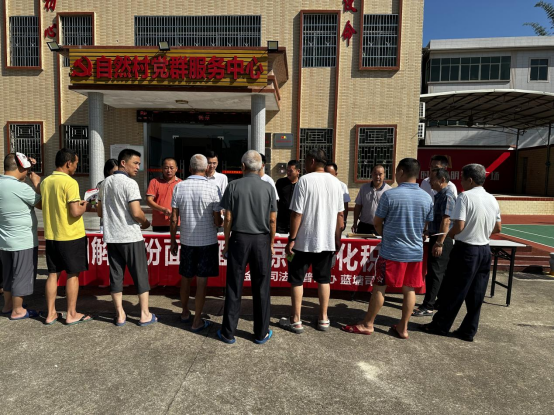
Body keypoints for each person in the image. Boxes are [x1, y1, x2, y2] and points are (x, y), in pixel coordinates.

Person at [342, 158, 433, 339]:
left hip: (392, 251)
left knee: (379, 287)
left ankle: (368, 324)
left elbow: (377, 223)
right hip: (415, 252)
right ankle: (403, 327)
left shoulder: (390, 195)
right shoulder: (427, 197)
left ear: (401, 172)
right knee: (410, 289)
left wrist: (388, 235)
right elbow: (426, 225)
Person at [421, 164, 501, 342]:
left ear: (470, 180)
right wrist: (480, 231)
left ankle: (440, 325)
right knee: (476, 294)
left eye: (462, 178)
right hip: (484, 250)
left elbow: (459, 225)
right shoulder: (492, 199)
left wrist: (449, 235)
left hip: (466, 249)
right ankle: (468, 330)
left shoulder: (465, 197)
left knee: (453, 290)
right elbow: (498, 227)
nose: (461, 182)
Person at [281, 148, 344, 334]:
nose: (304, 164)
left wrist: (291, 239)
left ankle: (296, 319)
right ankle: (323, 318)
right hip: (326, 241)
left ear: (312, 161)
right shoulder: (336, 183)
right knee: (324, 280)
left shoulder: (304, 181)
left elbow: (296, 214)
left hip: (303, 240)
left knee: (297, 280)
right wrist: (337, 238)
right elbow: (340, 215)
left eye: (306, 160)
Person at [217, 150, 277, 344]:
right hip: (261, 241)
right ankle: (261, 333)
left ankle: (228, 333)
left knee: (234, 285)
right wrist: (271, 243)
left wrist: (226, 243)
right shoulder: (268, 188)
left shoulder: (233, 186)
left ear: (242, 166)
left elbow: (228, 218)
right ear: (260, 167)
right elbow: (273, 220)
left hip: (239, 239)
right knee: (262, 287)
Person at [98, 149, 156, 327]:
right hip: (130, 236)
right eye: (135, 163)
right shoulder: (130, 183)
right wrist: (145, 223)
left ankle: (120, 314)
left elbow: (100, 211)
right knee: (140, 275)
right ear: (123, 163)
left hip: (112, 237)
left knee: (116, 276)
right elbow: (136, 212)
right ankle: (144, 314)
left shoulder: (104, 183)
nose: (138, 167)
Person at [170, 154, 223, 332]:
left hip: (186, 241)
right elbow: (217, 220)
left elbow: (174, 218)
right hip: (207, 241)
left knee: (185, 278)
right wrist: (220, 222)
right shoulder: (213, 187)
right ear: (206, 168)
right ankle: (197, 320)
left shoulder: (179, 187)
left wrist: (173, 241)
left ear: (190, 168)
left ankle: (185, 312)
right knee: (201, 282)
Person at [40, 148, 92, 325]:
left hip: (52, 235)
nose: (76, 167)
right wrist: (85, 205)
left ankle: (50, 314)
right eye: (76, 163)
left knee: (52, 274)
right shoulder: (70, 182)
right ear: (68, 163)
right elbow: (75, 211)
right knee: (72, 275)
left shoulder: (46, 182)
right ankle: (71, 314)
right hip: (70, 236)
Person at [0, 153, 42, 320]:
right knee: (21, 275)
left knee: (8, 274)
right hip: (23, 240)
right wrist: (36, 183)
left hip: (4, 240)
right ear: (19, 168)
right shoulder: (21, 188)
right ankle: (18, 310)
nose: (28, 172)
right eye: (26, 169)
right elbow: (41, 203)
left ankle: (8, 306)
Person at [412, 169, 456, 317]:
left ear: (442, 179)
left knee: (435, 273)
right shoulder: (439, 195)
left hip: (441, 239)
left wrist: (439, 243)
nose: (429, 182)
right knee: (437, 272)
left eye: (432, 179)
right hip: (436, 236)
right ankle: (438, 301)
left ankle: (428, 306)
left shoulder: (447, 196)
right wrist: (428, 231)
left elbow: (446, 221)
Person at [352, 165, 391, 235]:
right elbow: (358, 206)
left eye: (380, 174)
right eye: (375, 174)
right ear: (371, 174)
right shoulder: (364, 188)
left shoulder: (389, 190)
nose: (377, 177)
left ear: (384, 175)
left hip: (381, 227)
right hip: (364, 226)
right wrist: (355, 223)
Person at [146, 157, 182, 232]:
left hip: (176, 223)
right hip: (158, 223)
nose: (169, 170)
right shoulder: (154, 182)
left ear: (176, 169)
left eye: (171, 168)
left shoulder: (181, 183)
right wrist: (163, 209)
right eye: (166, 168)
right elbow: (149, 201)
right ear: (162, 168)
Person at [275, 160, 301, 234]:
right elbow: (275, 200)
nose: (288, 173)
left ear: (298, 171)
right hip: (281, 222)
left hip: (297, 221)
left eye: (291, 171)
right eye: (287, 170)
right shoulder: (280, 183)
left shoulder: (301, 184)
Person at [324, 162, 350, 230]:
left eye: (330, 174)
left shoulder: (342, 186)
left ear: (336, 174)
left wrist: (344, 220)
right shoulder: (320, 185)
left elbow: (345, 205)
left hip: (336, 219)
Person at [95, 158, 118, 232]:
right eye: (114, 172)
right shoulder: (100, 185)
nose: (116, 174)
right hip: (105, 222)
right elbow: (95, 202)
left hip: (119, 223)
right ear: (108, 171)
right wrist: (95, 203)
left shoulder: (121, 184)